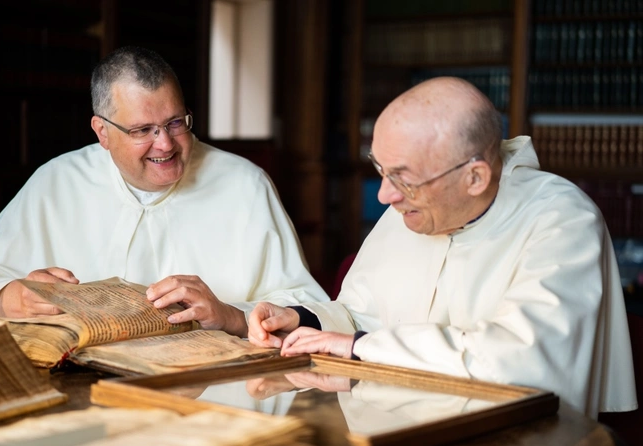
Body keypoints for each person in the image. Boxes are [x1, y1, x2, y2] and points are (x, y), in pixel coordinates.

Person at [248, 77, 637, 418]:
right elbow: (362, 315)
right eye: (381, 170)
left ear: (474, 177)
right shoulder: (416, 206)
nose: (385, 196)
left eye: (403, 179)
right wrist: (304, 322)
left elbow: (524, 361)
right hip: (393, 436)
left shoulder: (563, 220)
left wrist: (361, 348)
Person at [0, 45, 328, 337]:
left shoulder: (245, 184)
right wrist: (6, 299)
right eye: (143, 131)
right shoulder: (58, 181)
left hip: (208, 401)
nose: (166, 144)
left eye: (176, 123)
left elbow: (314, 310)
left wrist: (231, 315)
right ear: (102, 132)